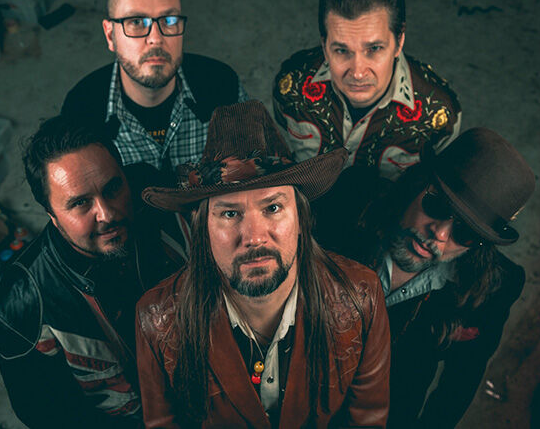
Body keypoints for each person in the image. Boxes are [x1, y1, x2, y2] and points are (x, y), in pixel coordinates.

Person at [135, 100, 390, 428]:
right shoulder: (157, 319)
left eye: (273, 208)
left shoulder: (361, 296)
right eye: (230, 213)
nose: (254, 237)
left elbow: (367, 421)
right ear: (203, 231)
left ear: (301, 219)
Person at [0, 116, 186, 428]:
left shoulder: (157, 198)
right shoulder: (23, 303)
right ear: (51, 214)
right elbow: (46, 415)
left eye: (113, 188)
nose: (107, 214)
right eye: (80, 203)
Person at [352, 127, 535, 428]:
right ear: (419, 184)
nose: (439, 234)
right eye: (436, 205)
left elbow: (459, 383)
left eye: (465, 233)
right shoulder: (353, 201)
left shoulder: (493, 287)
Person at [273, 0, 460, 181]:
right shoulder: (292, 85)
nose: (358, 73)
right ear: (324, 44)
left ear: (399, 41)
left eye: (374, 49)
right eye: (341, 50)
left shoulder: (439, 114)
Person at [61, 0, 248, 177]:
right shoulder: (81, 112)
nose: (156, 39)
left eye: (169, 20)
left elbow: (256, 169)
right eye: (136, 22)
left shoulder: (223, 85)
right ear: (110, 35)